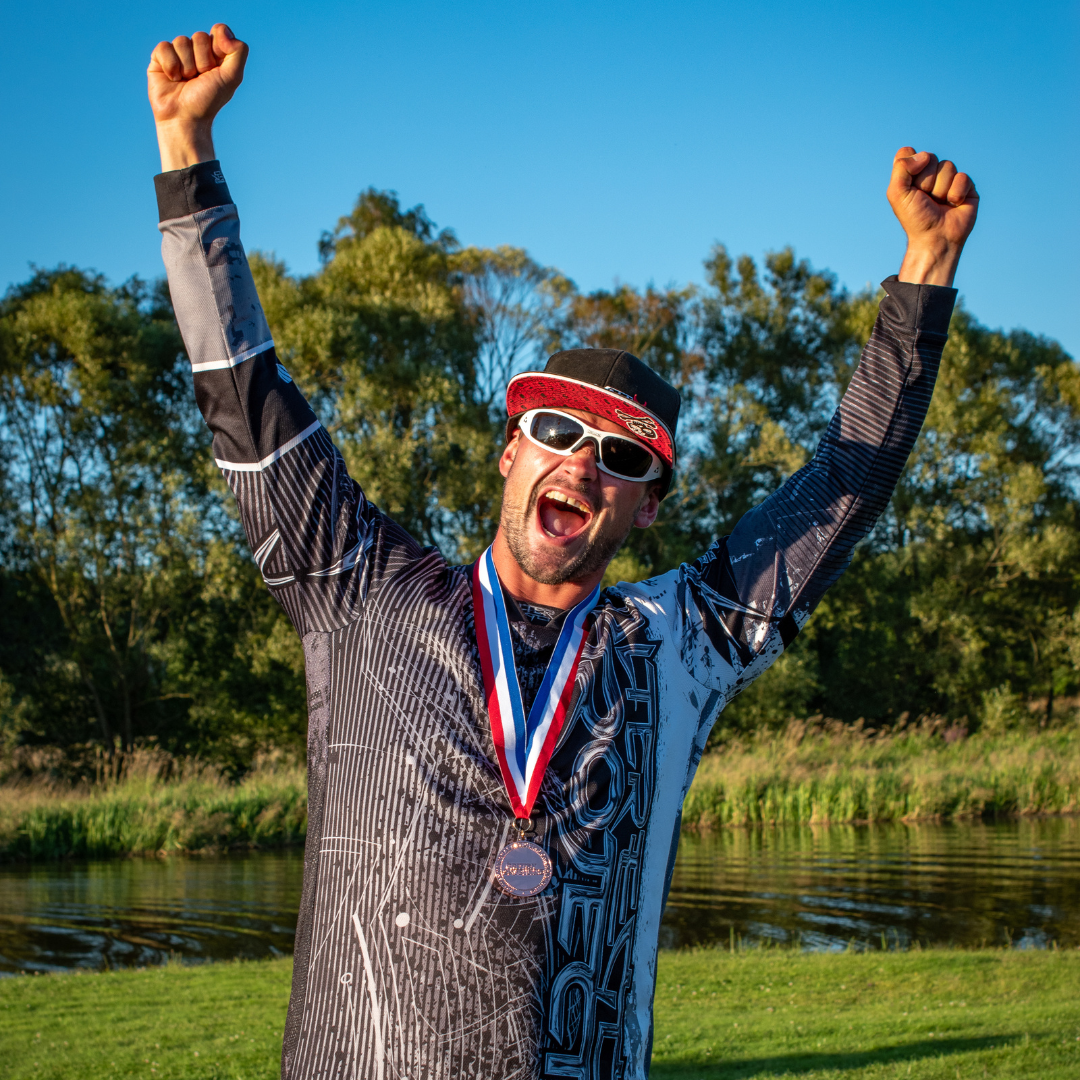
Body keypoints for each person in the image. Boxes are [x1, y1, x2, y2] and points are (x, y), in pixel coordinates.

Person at [147, 23, 978, 1080]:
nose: (583, 462)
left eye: (623, 455)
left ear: (648, 508)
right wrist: (188, 153)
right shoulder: (359, 589)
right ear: (510, 452)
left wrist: (926, 268)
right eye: (555, 430)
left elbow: (838, 495)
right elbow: (245, 397)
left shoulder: (681, 644)